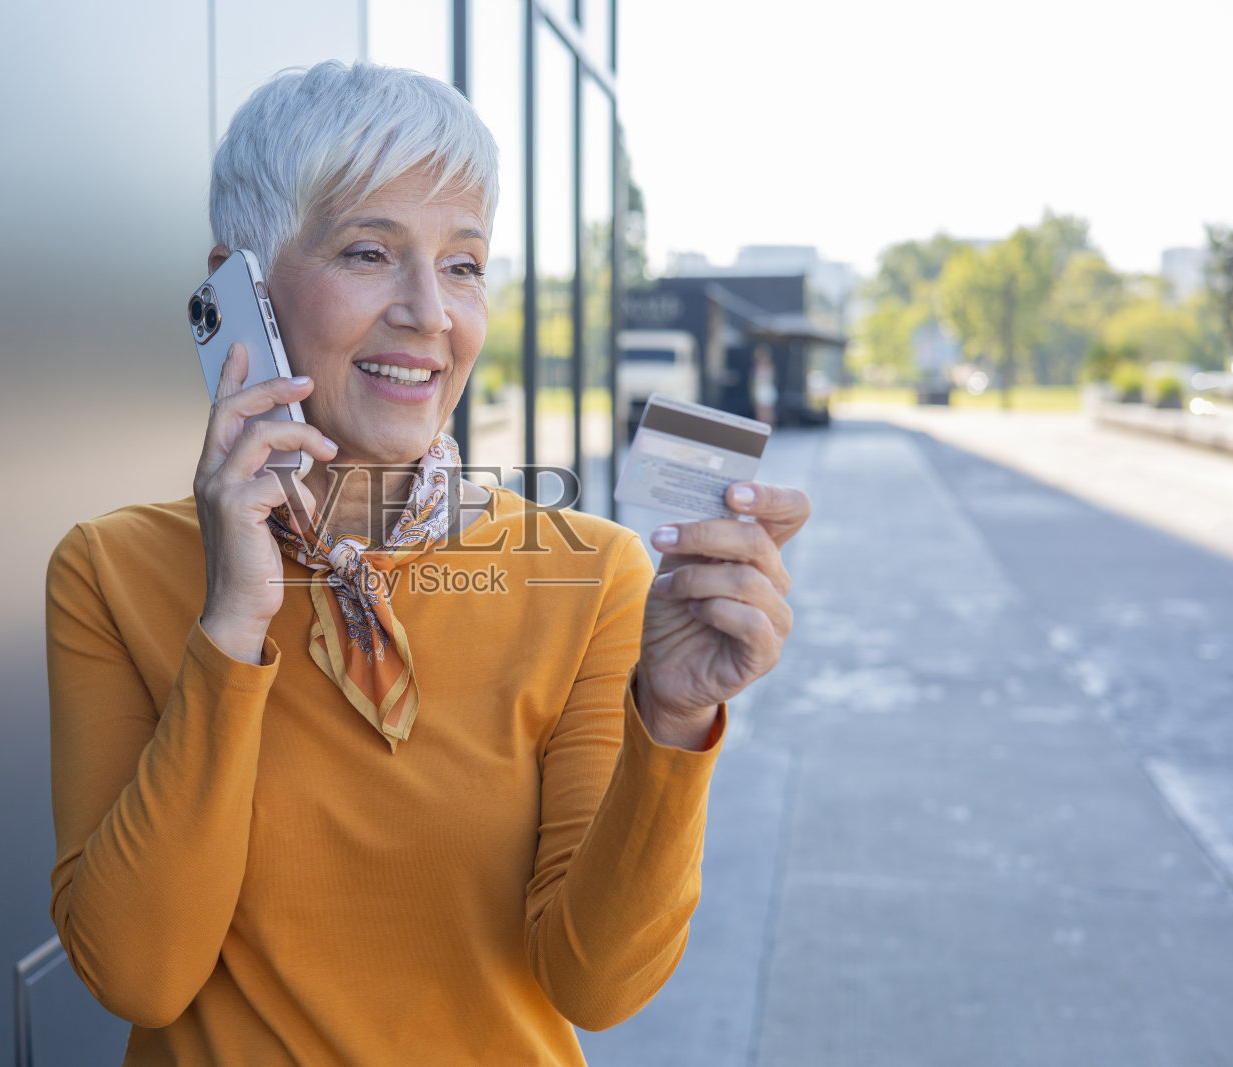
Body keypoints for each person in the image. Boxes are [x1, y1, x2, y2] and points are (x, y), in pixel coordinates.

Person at [46, 61, 810, 1066]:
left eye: (463, 264)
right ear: (240, 289)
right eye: (369, 252)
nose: (430, 314)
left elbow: (598, 981)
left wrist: (669, 720)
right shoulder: (111, 571)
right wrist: (231, 625)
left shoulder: (587, 575)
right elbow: (140, 972)